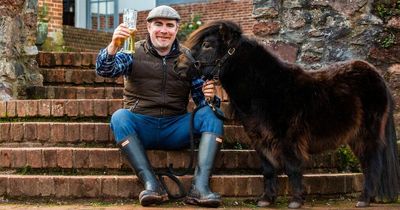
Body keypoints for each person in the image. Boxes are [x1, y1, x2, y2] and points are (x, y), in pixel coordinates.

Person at [95, 5, 224, 207]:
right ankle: (151, 184)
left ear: (176, 29)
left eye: (169, 25)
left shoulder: (188, 58)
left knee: (212, 114)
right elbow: (104, 70)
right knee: (120, 117)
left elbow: (203, 103)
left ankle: (200, 187)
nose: (164, 30)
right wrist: (112, 46)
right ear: (148, 27)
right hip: (141, 125)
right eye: (158, 24)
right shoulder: (131, 51)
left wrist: (211, 98)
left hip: (176, 128)